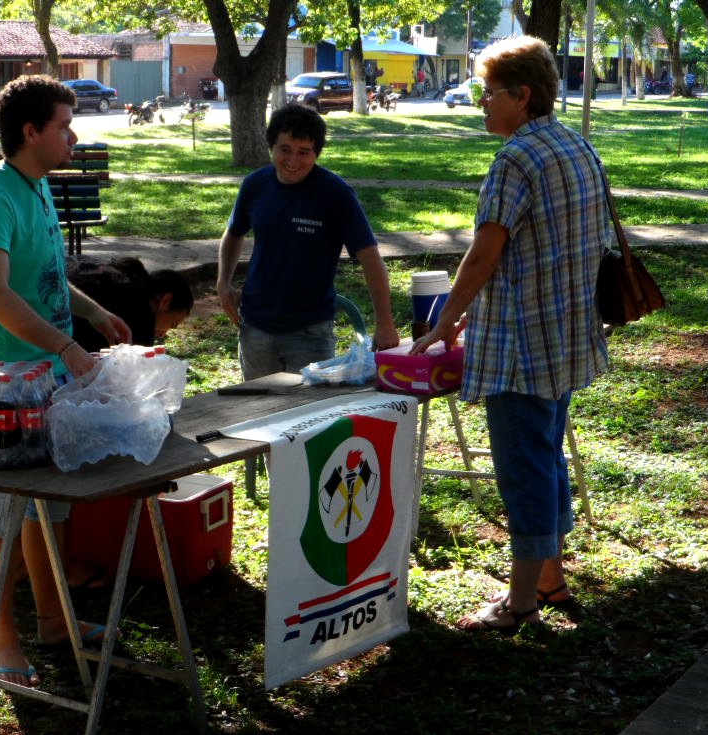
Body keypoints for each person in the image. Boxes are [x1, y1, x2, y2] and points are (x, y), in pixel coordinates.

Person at [411, 36, 610, 633]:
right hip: (566, 336)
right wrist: (479, 309)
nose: (481, 105)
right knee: (545, 458)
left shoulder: (515, 158)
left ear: (521, 97)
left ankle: (520, 601)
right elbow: (546, 249)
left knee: (524, 468)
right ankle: (550, 579)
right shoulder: (576, 145)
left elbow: (483, 254)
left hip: (523, 351)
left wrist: (447, 318)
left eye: (488, 94)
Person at [0, 74, 132, 686]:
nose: (74, 135)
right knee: (3, 513)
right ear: (30, 131)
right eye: (63, 125)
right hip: (5, 387)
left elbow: (47, 278)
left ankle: (55, 621)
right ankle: (3, 646)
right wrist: (63, 342)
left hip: (50, 378)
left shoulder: (36, 189)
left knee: (49, 507)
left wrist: (89, 313)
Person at [216, 104, 400, 381]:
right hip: (254, 327)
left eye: (304, 152)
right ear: (271, 147)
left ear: (317, 153)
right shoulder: (255, 185)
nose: (293, 160)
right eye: (284, 149)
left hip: (309, 332)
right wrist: (223, 282)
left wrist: (385, 323)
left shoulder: (335, 194)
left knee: (308, 419)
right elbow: (233, 234)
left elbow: (370, 259)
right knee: (258, 415)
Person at [68, 257, 193, 351]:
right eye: (173, 324)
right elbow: (134, 372)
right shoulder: (140, 312)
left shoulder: (123, 278)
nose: (163, 333)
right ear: (166, 301)